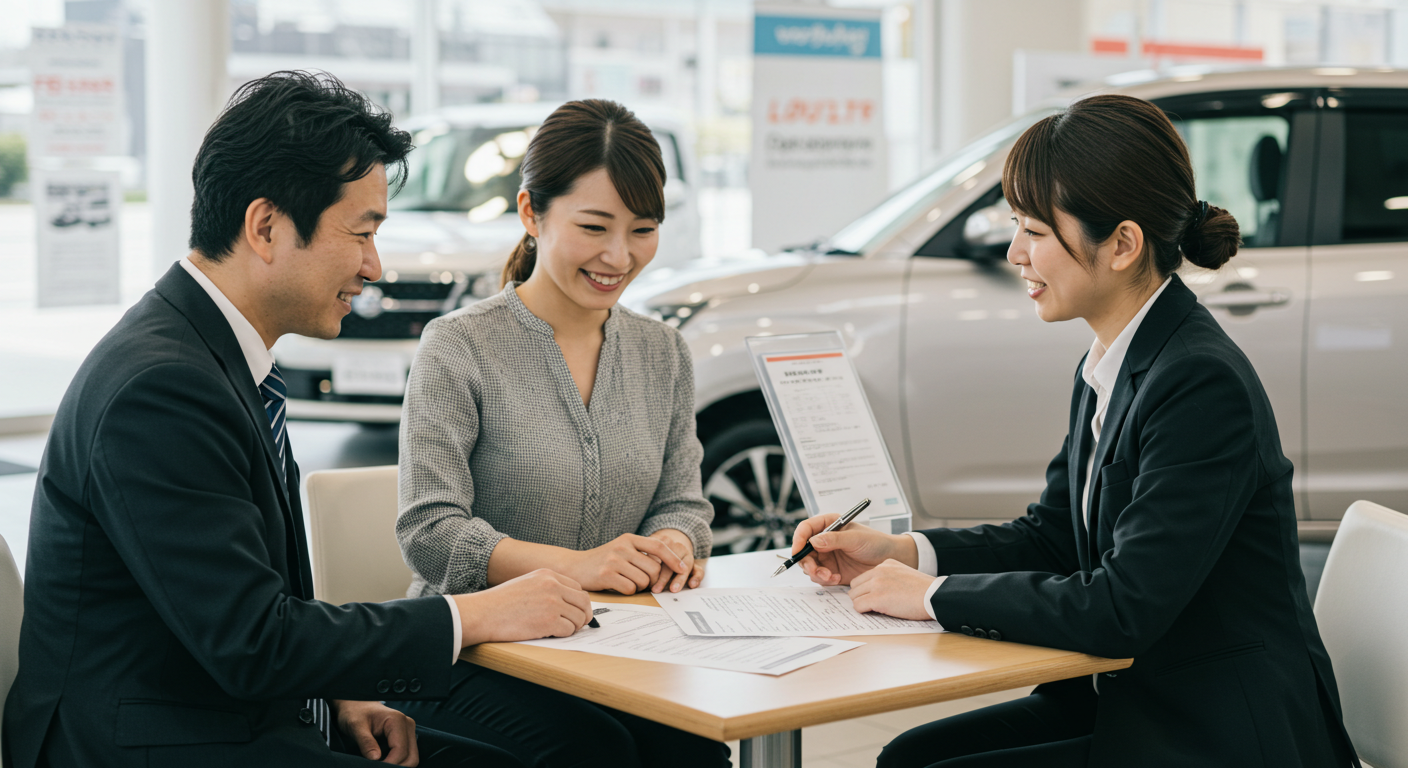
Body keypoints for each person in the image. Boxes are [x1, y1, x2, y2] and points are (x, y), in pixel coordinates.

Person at [2, 71, 595, 768]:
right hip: (148, 741)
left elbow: (245, 615)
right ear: (266, 227)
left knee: (567, 746)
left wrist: (339, 692)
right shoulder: (161, 388)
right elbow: (253, 642)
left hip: (220, 705)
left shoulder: (210, 353)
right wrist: (475, 613)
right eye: (362, 232)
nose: (374, 267)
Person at [788, 94, 1359, 768]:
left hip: (1218, 727)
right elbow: (1054, 537)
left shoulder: (1200, 383)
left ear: (1122, 244)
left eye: (1034, 230)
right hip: (1132, 697)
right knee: (910, 757)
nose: (1014, 252)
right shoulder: (1114, 360)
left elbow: (1123, 607)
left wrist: (931, 599)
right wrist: (902, 553)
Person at [393, 99, 728, 768]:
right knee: (592, 752)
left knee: (695, 748)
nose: (619, 255)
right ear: (531, 213)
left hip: (622, 646)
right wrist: (576, 566)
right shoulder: (458, 346)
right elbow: (430, 534)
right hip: (473, 652)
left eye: (642, 229)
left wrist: (670, 541)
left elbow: (684, 503)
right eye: (595, 227)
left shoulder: (663, 350)